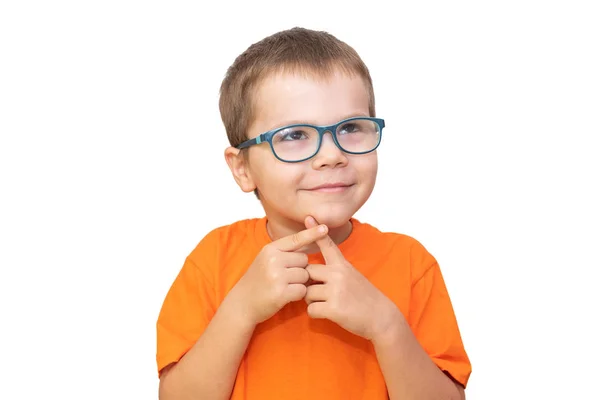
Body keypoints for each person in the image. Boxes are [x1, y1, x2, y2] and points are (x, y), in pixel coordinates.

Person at [156, 27, 471, 400]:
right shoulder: (213, 260)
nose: (332, 155)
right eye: (294, 135)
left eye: (351, 127)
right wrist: (240, 310)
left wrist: (386, 326)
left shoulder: (411, 264)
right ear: (242, 168)